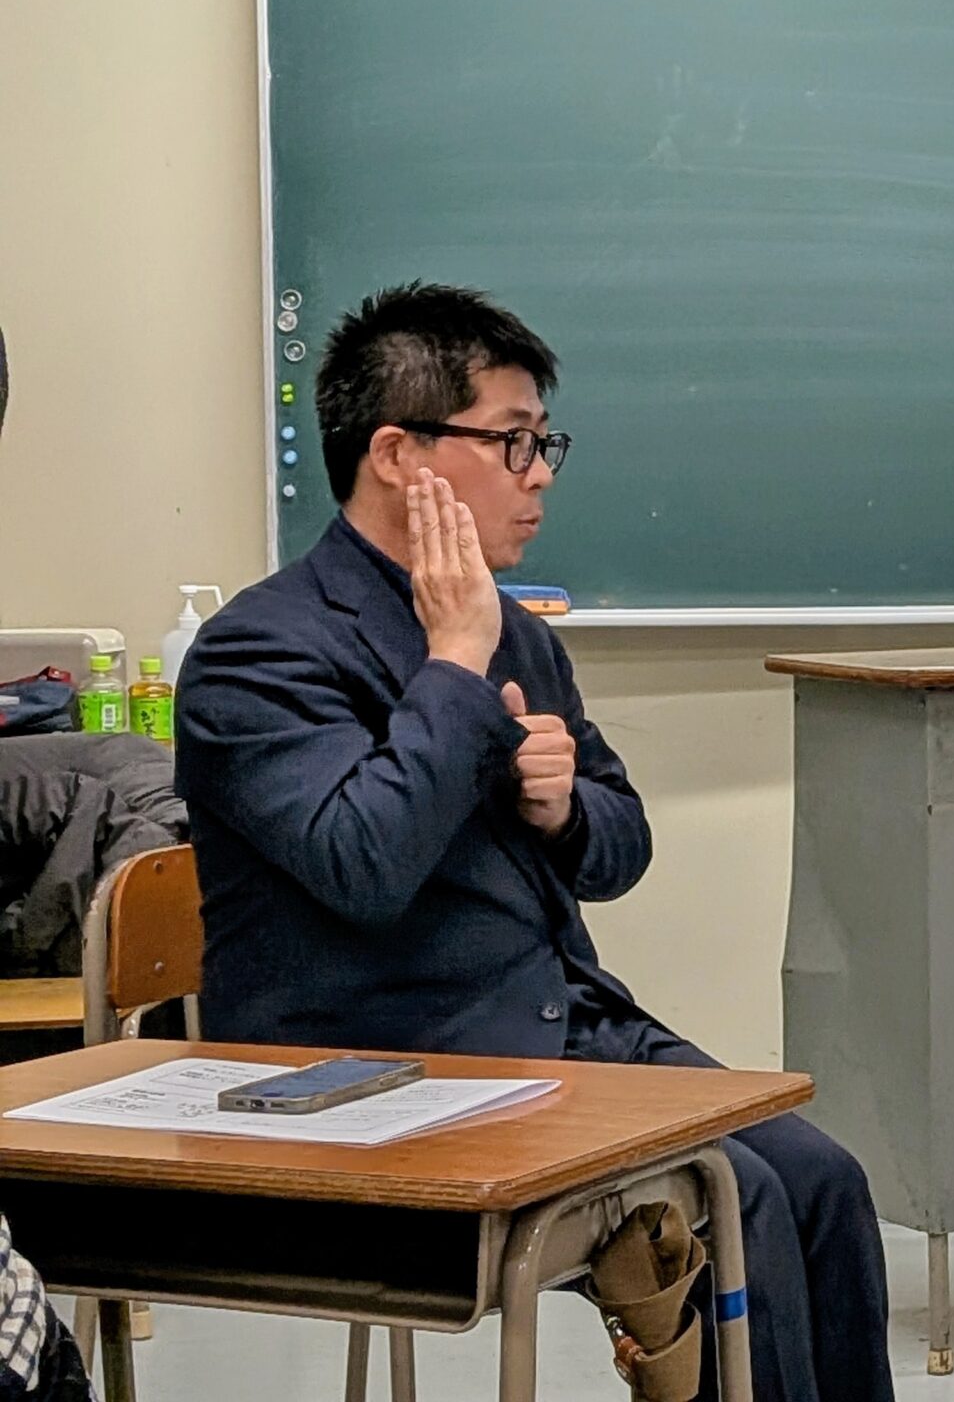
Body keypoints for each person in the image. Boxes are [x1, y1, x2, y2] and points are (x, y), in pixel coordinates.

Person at [173, 284, 893, 1402]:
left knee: (822, 1179)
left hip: (554, 1029)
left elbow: (622, 847)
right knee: (737, 1203)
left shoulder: (512, 630)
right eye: (511, 441)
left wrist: (562, 810)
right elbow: (363, 865)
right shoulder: (258, 651)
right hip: (376, 1068)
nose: (539, 472)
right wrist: (455, 664)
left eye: (542, 441)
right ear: (399, 456)